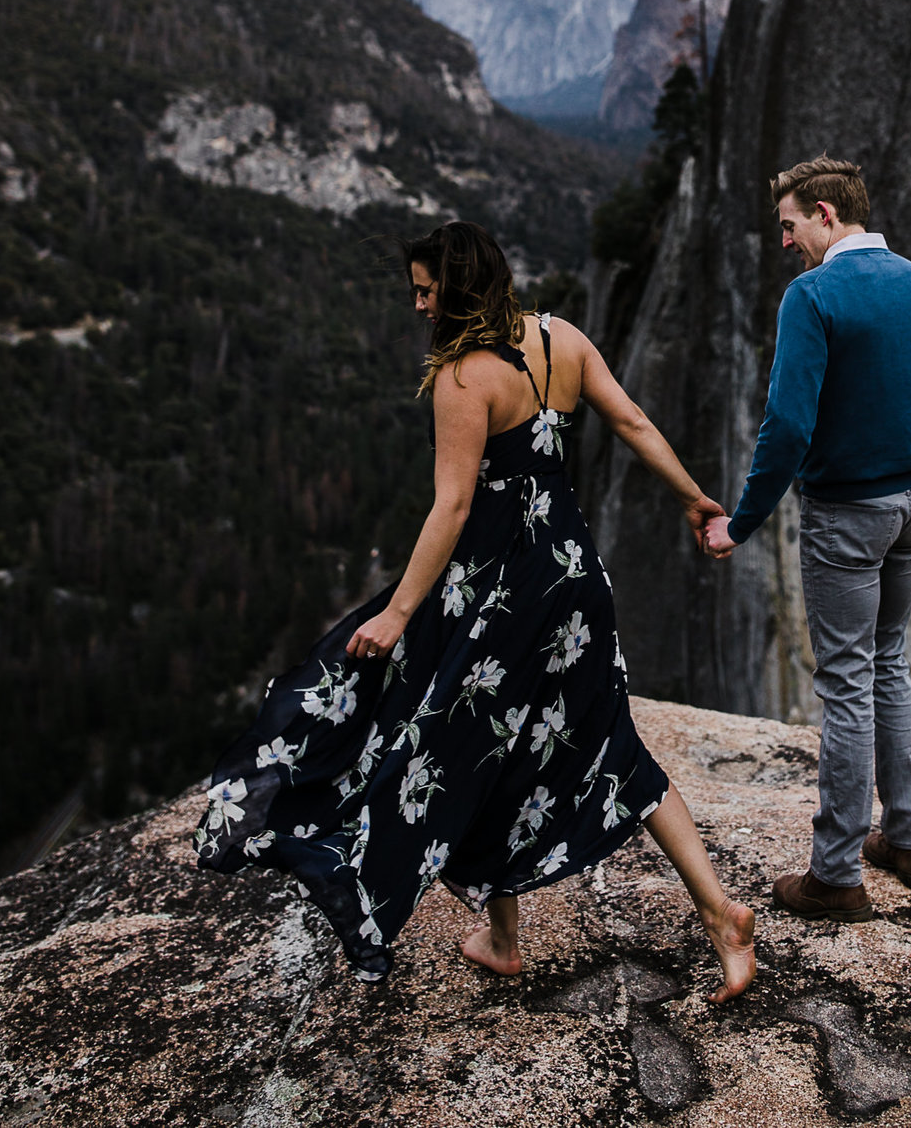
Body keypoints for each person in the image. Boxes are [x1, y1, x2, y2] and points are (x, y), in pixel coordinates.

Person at [194, 220, 757, 997]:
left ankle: (507, 932)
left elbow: (451, 508)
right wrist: (693, 496)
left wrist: (397, 613)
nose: (420, 305)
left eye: (427, 290)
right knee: (607, 746)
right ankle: (707, 913)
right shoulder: (561, 338)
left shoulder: (466, 376)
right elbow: (629, 421)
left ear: (459, 288)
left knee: (465, 749)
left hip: (500, 595)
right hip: (573, 580)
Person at [700, 157, 911, 922]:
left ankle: (836, 874)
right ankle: (908, 840)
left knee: (848, 679)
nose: (785, 241)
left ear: (824, 212)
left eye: (788, 224)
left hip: (848, 515)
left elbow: (787, 425)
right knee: (889, 661)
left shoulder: (813, 295)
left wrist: (741, 522)